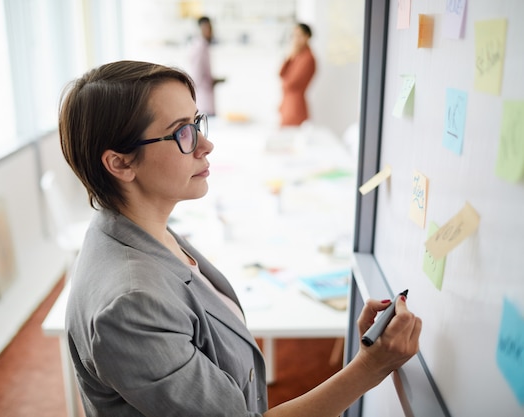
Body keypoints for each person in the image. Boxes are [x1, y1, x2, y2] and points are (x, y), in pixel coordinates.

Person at [59, 60, 422, 417]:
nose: (205, 144)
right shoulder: (130, 305)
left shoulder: (138, 226)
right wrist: (371, 366)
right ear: (121, 163)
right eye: (181, 132)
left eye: (197, 122)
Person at [279, 23, 317, 127]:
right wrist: (290, 56)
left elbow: (290, 84)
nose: (295, 39)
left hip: (295, 107)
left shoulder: (308, 58)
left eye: (298, 35)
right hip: (287, 104)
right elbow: (280, 73)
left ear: (306, 37)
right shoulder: (296, 55)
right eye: (293, 35)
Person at [188, 16, 225, 116]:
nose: (211, 31)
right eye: (208, 28)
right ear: (203, 28)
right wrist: (210, 81)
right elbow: (197, 75)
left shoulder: (204, 46)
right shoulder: (199, 47)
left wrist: (212, 80)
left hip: (205, 95)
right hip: (202, 98)